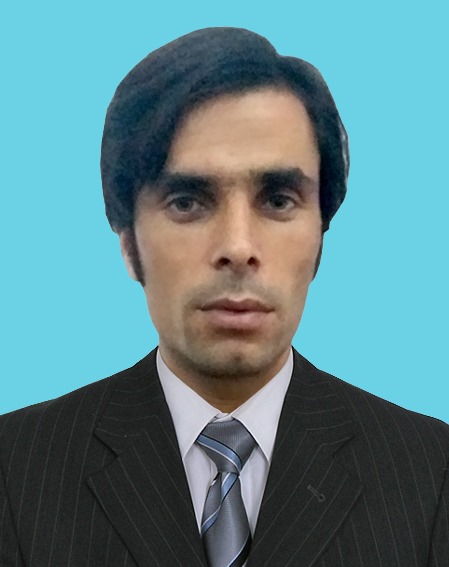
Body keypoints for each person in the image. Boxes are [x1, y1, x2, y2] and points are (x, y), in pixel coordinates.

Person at [0, 27, 448, 567]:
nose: (238, 247)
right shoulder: (16, 470)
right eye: (188, 201)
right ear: (127, 241)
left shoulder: (431, 473)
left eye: (278, 200)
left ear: (321, 235)